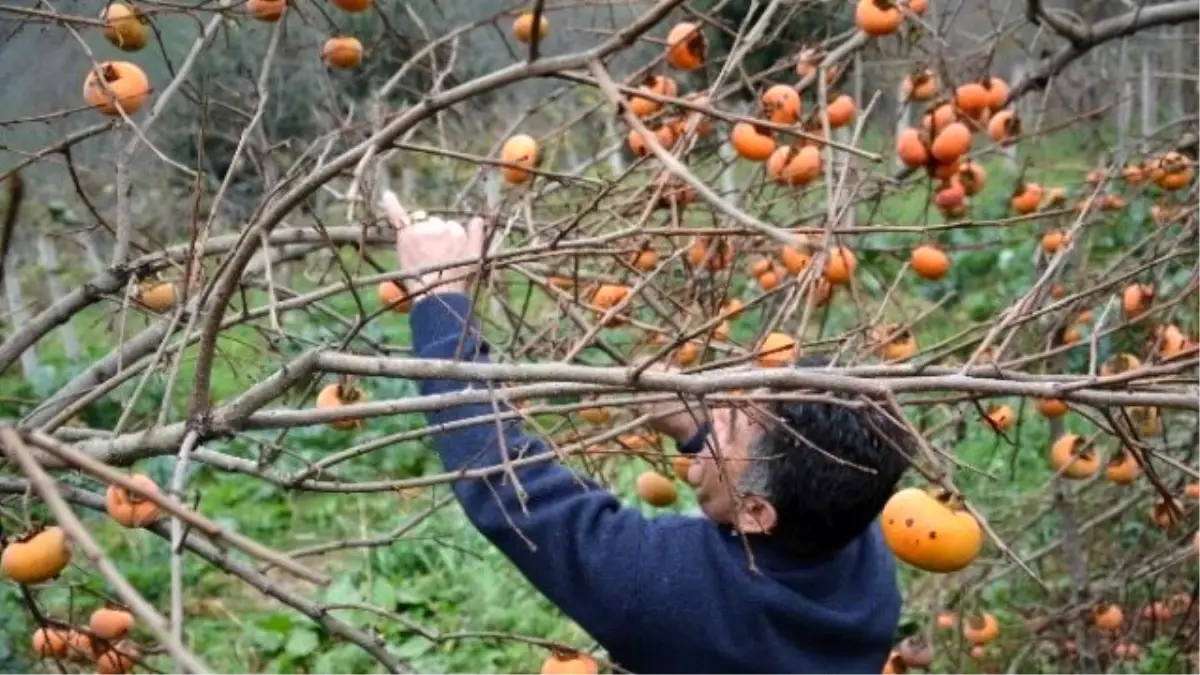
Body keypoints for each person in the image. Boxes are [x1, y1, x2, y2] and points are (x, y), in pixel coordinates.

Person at [379, 191, 911, 674]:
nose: (712, 401)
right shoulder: (858, 552)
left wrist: (440, 297)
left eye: (727, 422)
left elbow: (505, 484)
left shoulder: (670, 596)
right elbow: (805, 467)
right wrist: (704, 432)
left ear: (755, 512)